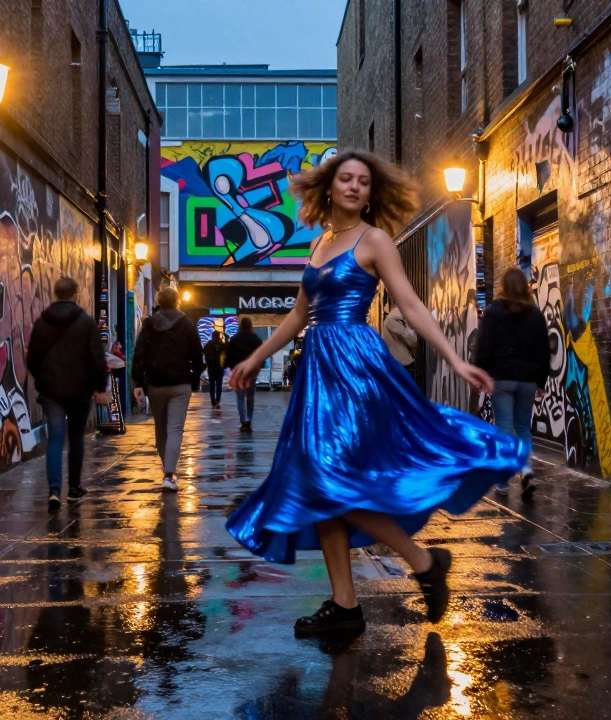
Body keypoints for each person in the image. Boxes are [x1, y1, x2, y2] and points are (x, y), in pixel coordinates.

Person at [226, 151, 526, 637]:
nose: (354, 187)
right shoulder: (320, 243)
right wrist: (257, 357)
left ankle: (422, 561)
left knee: (331, 483)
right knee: (315, 483)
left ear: (371, 192)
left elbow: (409, 302)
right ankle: (347, 605)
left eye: (363, 182)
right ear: (329, 187)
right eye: (345, 178)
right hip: (318, 376)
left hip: (354, 372)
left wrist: (454, 358)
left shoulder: (375, 240)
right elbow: (301, 314)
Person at [26, 277, 109, 512]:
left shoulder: (42, 322)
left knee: (54, 438)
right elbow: (97, 359)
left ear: (55, 292)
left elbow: (32, 358)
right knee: (75, 439)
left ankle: (53, 490)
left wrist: (43, 380)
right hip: (80, 392)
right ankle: (74, 489)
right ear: (76, 293)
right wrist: (99, 388)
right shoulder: (85, 322)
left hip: (51, 391)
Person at [473, 267, 553, 501]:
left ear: (503, 287)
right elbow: (544, 352)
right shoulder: (536, 315)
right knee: (523, 427)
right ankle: (526, 470)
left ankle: (503, 482)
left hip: (502, 379)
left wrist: (481, 374)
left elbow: (484, 346)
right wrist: (541, 380)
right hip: (528, 380)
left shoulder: (493, 312)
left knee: (505, 428)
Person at [132, 287, 204, 492]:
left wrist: (139, 381)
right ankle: (169, 475)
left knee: (160, 428)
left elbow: (139, 354)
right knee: (175, 429)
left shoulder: (149, 323)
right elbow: (197, 354)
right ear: (177, 301)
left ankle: (167, 470)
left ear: (159, 302)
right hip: (180, 383)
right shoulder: (187, 324)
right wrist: (194, 378)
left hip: (155, 384)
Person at [223, 317, 264, 432]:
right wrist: (259, 366)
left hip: (239, 370)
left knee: (240, 397)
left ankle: (243, 420)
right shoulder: (256, 339)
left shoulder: (235, 339)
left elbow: (229, 354)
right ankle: (249, 419)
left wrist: (228, 367)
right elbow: (260, 353)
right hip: (251, 371)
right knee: (250, 396)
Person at [382, 305, 418, 375]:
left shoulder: (392, 318)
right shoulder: (394, 318)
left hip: (397, 362)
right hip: (401, 362)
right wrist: (415, 343)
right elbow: (410, 339)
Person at [203, 331, 227, 408]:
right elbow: (227, 347)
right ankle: (218, 400)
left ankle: (213, 401)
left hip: (211, 368)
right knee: (219, 385)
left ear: (212, 336)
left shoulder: (208, 345)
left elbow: (203, 353)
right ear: (218, 336)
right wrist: (225, 337)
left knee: (212, 385)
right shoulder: (221, 345)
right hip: (219, 367)